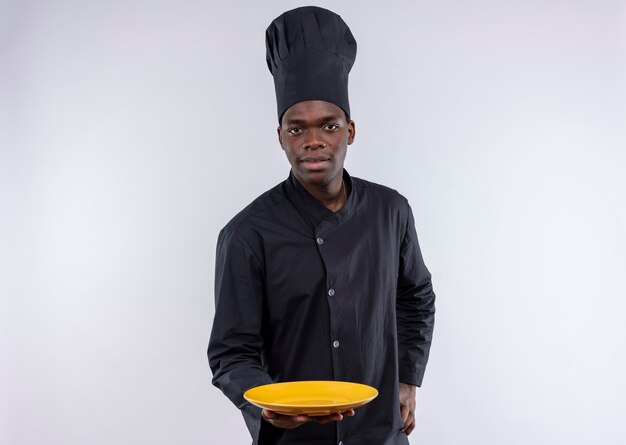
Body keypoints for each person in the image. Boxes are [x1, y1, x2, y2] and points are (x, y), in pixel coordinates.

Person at [208, 6, 435, 445]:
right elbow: (231, 353)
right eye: (297, 129)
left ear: (349, 131)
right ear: (281, 136)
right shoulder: (247, 234)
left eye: (328, 126)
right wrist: (265, 404)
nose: (313, 140)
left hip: (380, 434)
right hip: (294, 440)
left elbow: (416, 297)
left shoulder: (392, 212)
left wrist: (408, 378)